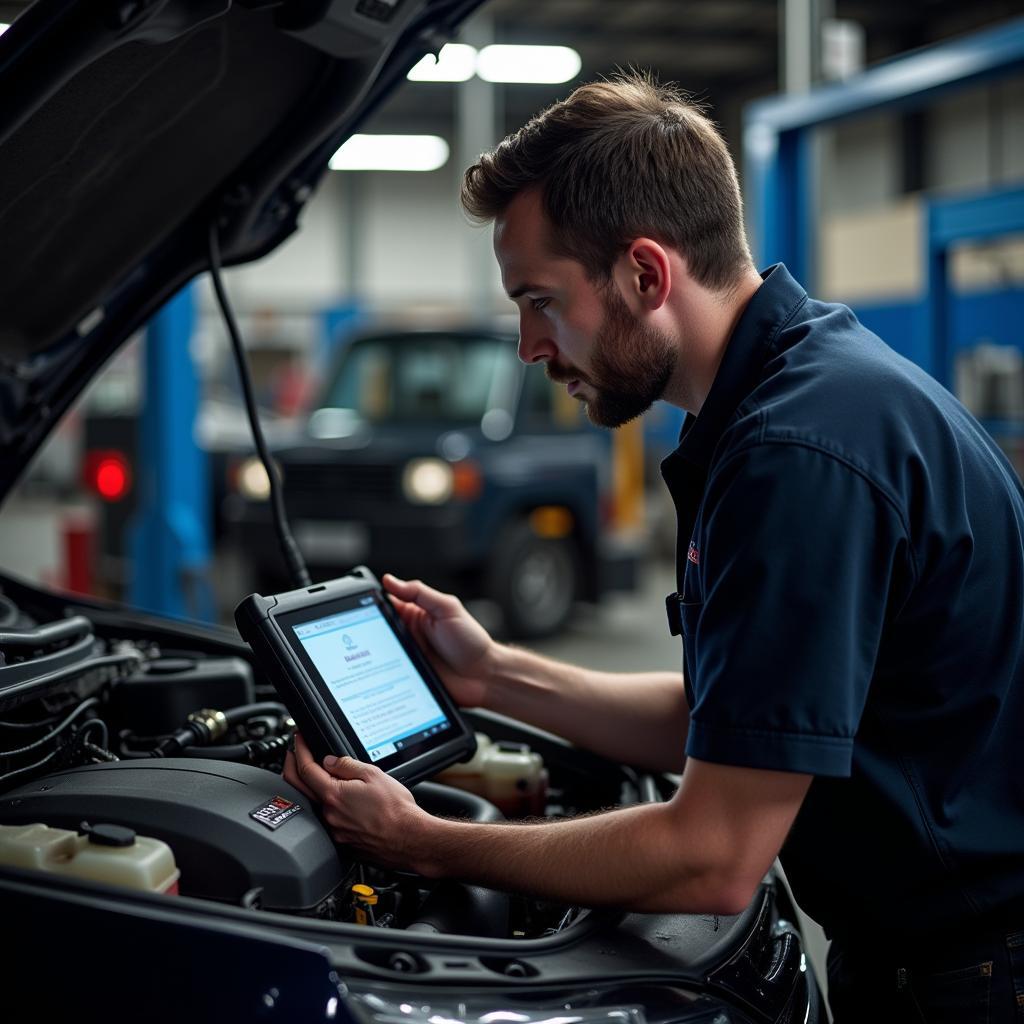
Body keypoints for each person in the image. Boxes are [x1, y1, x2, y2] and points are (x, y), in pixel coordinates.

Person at [284, 73, 1024, 1021]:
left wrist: (422, 840)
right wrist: (495, 675)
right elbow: (740, 716)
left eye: (540, 301)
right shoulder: (806, 396)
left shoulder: (798, 454)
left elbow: (712, 855)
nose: (527, 346)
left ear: (645, 273)